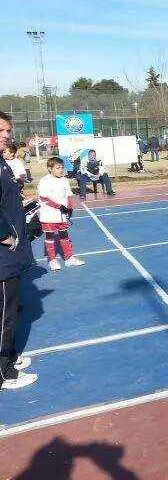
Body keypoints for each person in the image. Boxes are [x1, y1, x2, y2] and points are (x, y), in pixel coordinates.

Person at [0, 110, 37, 390]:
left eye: (8, 132)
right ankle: (4, 372)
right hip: (3, 256)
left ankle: (9, 355)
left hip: (10, 252)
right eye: (2, 132)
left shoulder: (2, 161)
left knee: (9, 309)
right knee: (5, 312)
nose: (7, 136)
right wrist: (4, 235)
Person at [38, 157, 86, 271]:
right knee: (50, 237)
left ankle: (69, 258)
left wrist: (69, 209)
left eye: (62, 168)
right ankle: (52, 260)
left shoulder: (64, 180)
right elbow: (44, 198)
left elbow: (68, 195)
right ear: (50, 169)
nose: (61, 170)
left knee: (64, 236)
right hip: (49, 215)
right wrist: (59, 206)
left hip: (62, 215)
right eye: (57, 168)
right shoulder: (44, 181)